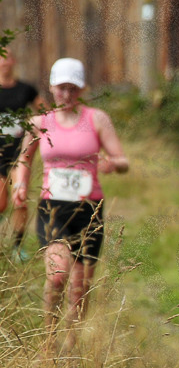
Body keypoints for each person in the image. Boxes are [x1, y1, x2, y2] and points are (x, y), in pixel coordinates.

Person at [12, 57, 129, 352]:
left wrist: (113, 164)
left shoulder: (97, 119)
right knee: (57, 277)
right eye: (61, 88)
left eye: (72, 88)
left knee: (79, 286)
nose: (66, 94)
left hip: (89, 210)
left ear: (82, 89)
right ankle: (49, 342)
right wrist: (21, 184)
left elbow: (123, 159)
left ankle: (71, 346)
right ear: (51, 88)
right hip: (53, 208)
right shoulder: (39, 122)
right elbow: (23, 161)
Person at [0, 51, 43, 261]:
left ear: (13, 60)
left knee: (20, 199)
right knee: (1, 203)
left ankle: (17, 246)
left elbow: (45, 112)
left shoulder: (25, 89)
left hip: (20, 153)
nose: (3, 62)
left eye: (7, 57)